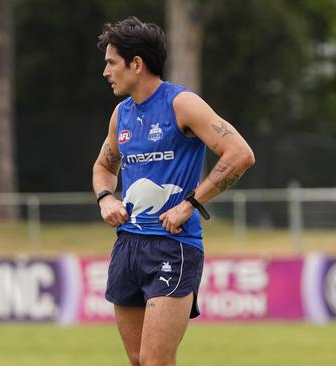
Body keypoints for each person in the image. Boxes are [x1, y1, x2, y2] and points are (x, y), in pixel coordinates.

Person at [92, 16, 255, 366]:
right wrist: (106, 199)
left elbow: (240, 154)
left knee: (155, 361)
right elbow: (104, 167)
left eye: (111, 62)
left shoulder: (181, 104)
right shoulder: (120, 115)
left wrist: (191, 203)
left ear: (136, 64)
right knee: (138, 360)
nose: (105, 72)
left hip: (173, 246)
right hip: (128, 247)